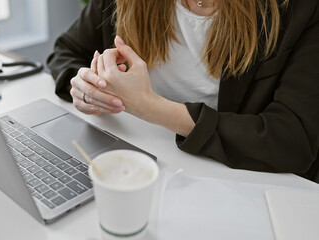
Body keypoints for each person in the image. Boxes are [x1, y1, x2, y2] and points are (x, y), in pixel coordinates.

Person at [47, 0, 319, 182]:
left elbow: (293, 140)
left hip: (235, 180)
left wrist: (151, 108)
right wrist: (85, 86)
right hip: (136, 166)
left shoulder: (299, 8)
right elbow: (67, 51)